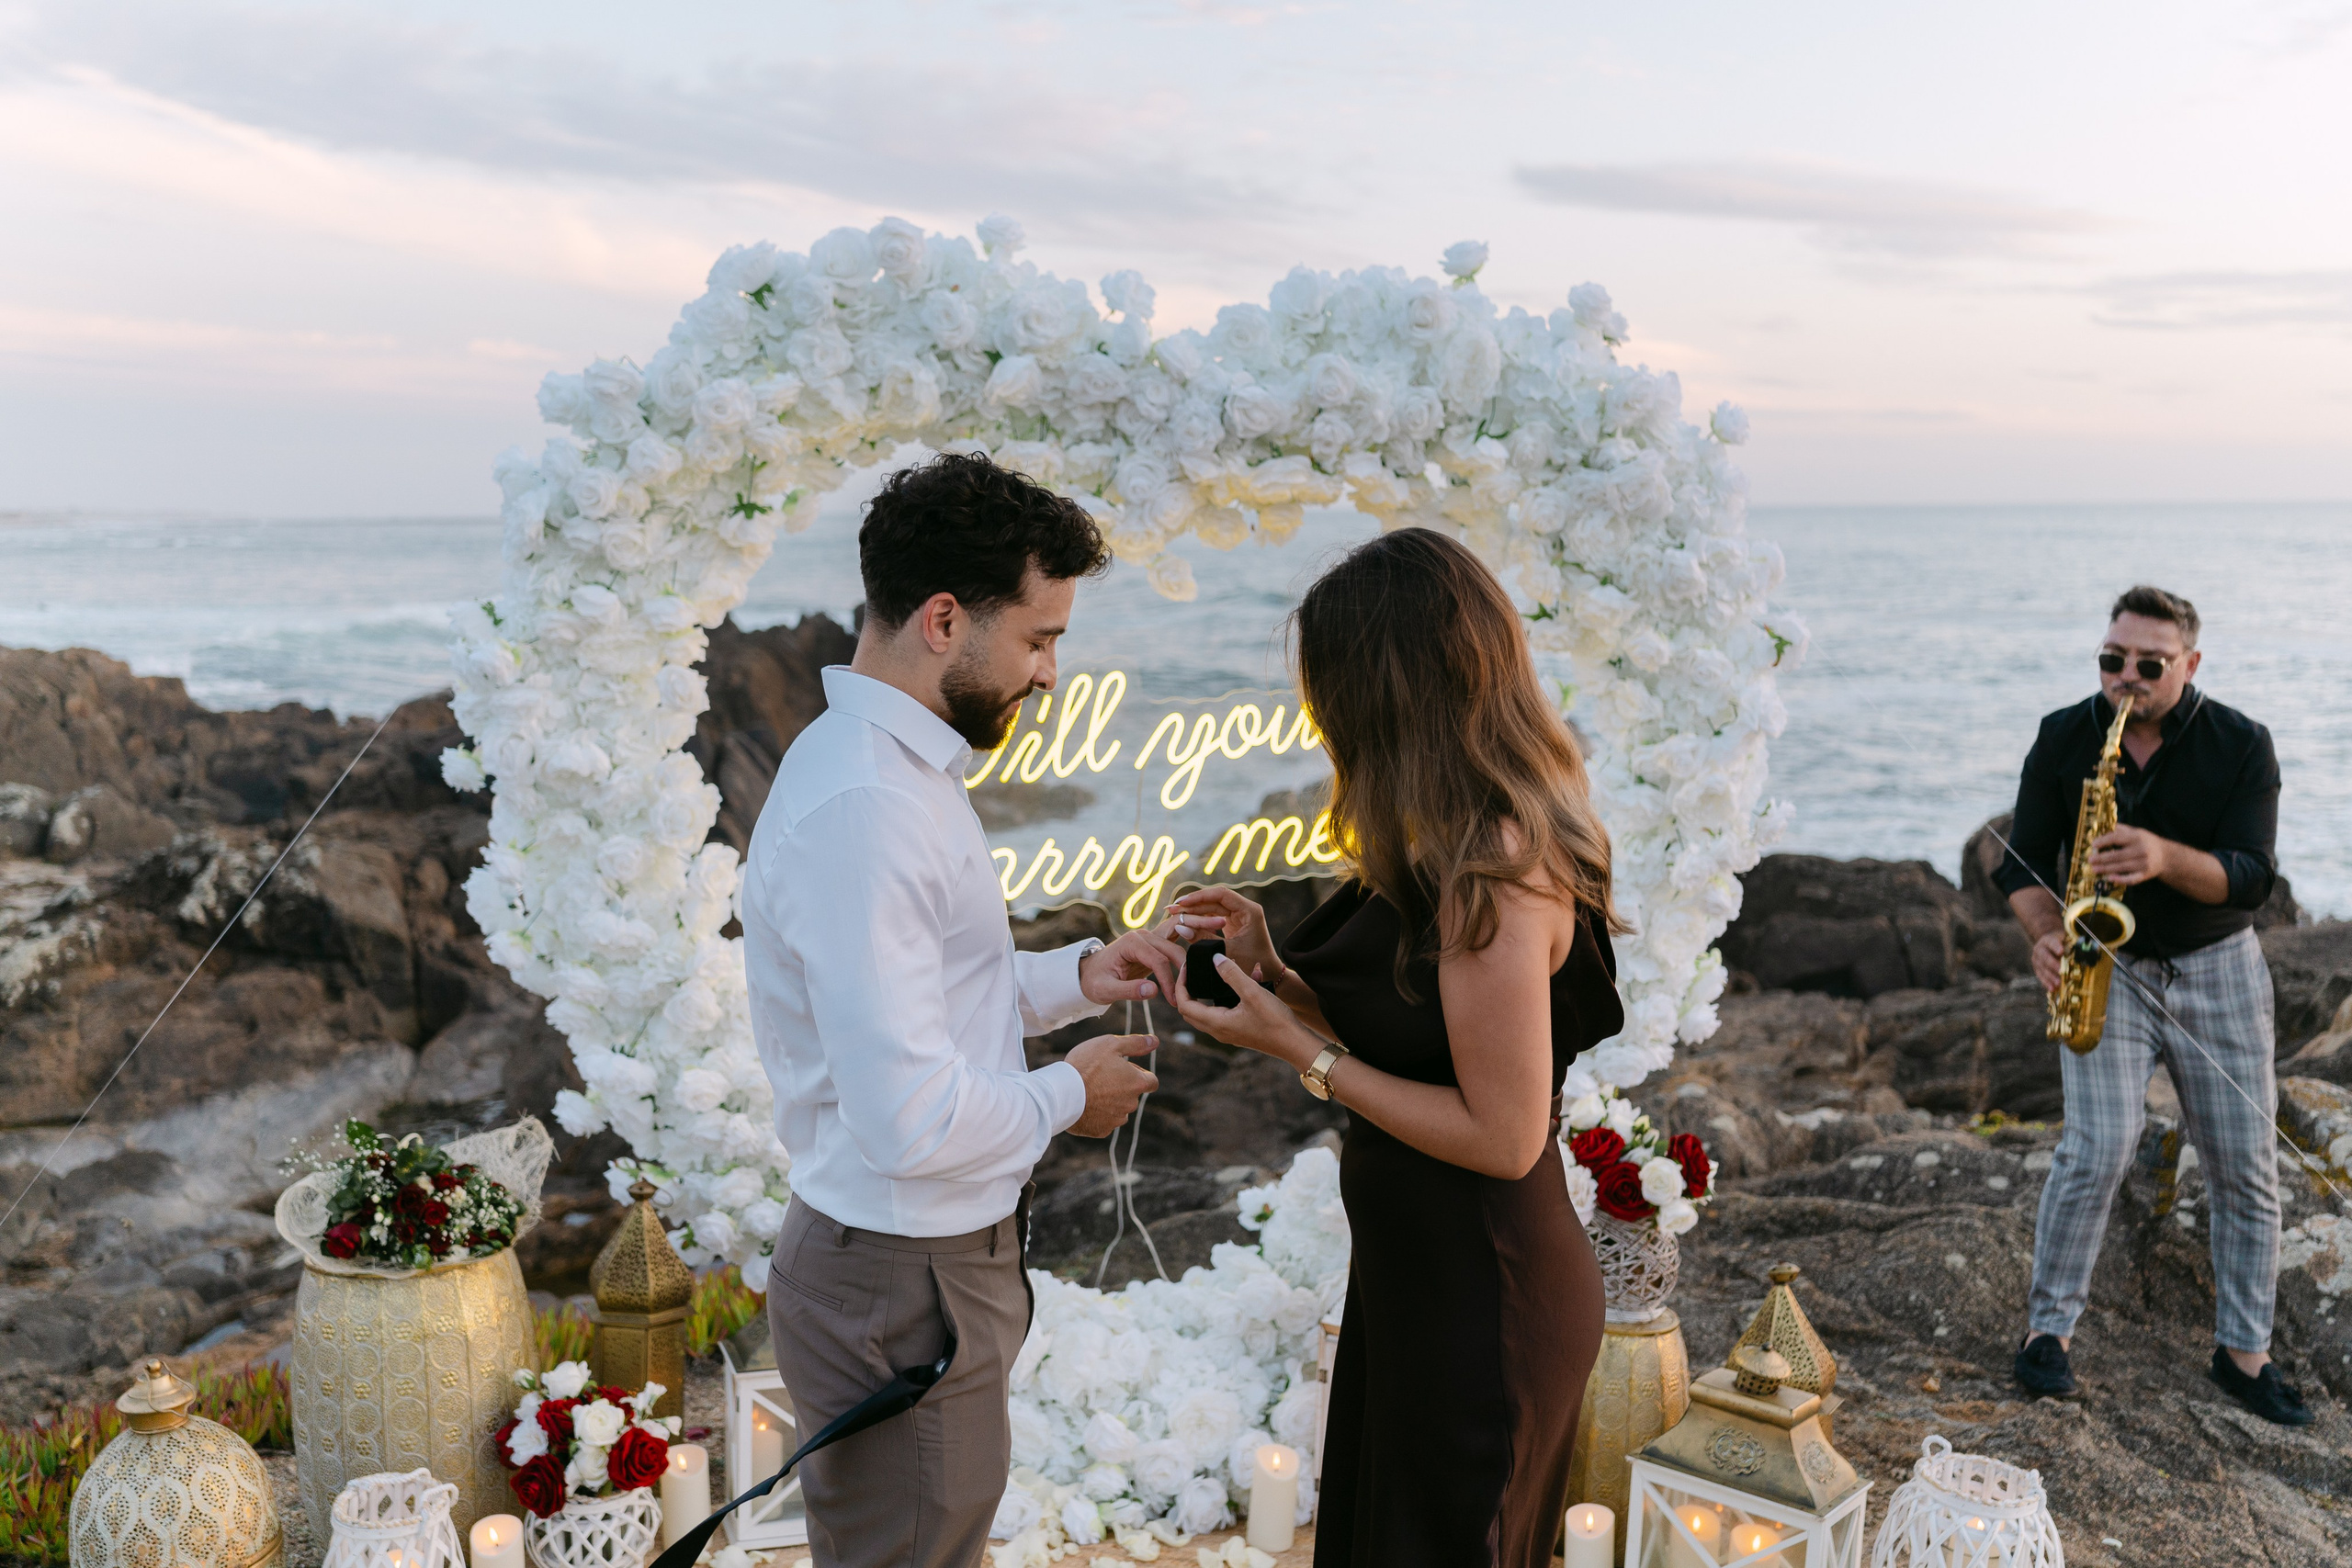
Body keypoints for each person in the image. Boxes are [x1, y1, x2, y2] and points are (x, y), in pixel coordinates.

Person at [741, 452, 1188, 1567]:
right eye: (1039, 638)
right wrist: (1065, 1095)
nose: (1048, 675)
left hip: (917, 1265)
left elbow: (938, 999)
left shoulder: (892, 770)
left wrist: (1079, 977)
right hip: (904, 1277)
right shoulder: (870, 808)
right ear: (945, 618)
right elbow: (907, 1116)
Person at [1166, 527, 1623, 1568]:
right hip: (1416, 1282)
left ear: (1386, 690)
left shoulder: (1493, 867)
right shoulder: (1442, 835)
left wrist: (1302, 1055)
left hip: (1486, 1298)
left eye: (1327, 688)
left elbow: (1504, 1136)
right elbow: (1427, 1045)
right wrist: (1280, 980)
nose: (1319, 717)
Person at [1996, 584, 2306, 1425]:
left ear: (2190, 664)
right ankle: (2047, 1334)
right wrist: (2042, 938)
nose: (2125, 677)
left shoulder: (2243, 743)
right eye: (2111, 659)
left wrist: (2164, 856)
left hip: (2220, 966)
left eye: (2148, 665)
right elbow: (2021, 864)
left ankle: (2245, 1354)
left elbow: (2251, 876)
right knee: (2096, 1148)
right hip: (2104, 959)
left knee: (2244, 1161)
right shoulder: (2066, 734)